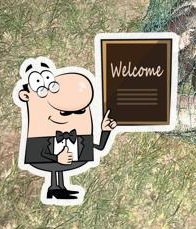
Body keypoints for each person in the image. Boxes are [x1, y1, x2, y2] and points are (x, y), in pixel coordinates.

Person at [14, 58, 118, 204]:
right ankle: (55, 188)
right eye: (65, 113)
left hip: (65, 157)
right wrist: (57, 158)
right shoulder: (40, 135)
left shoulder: (79, 136)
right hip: (51, 159)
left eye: (81, 111)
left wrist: (105, 130)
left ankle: (58, 188)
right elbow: (41, 153)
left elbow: (99, 147)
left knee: (59, 168)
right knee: (56, 167)